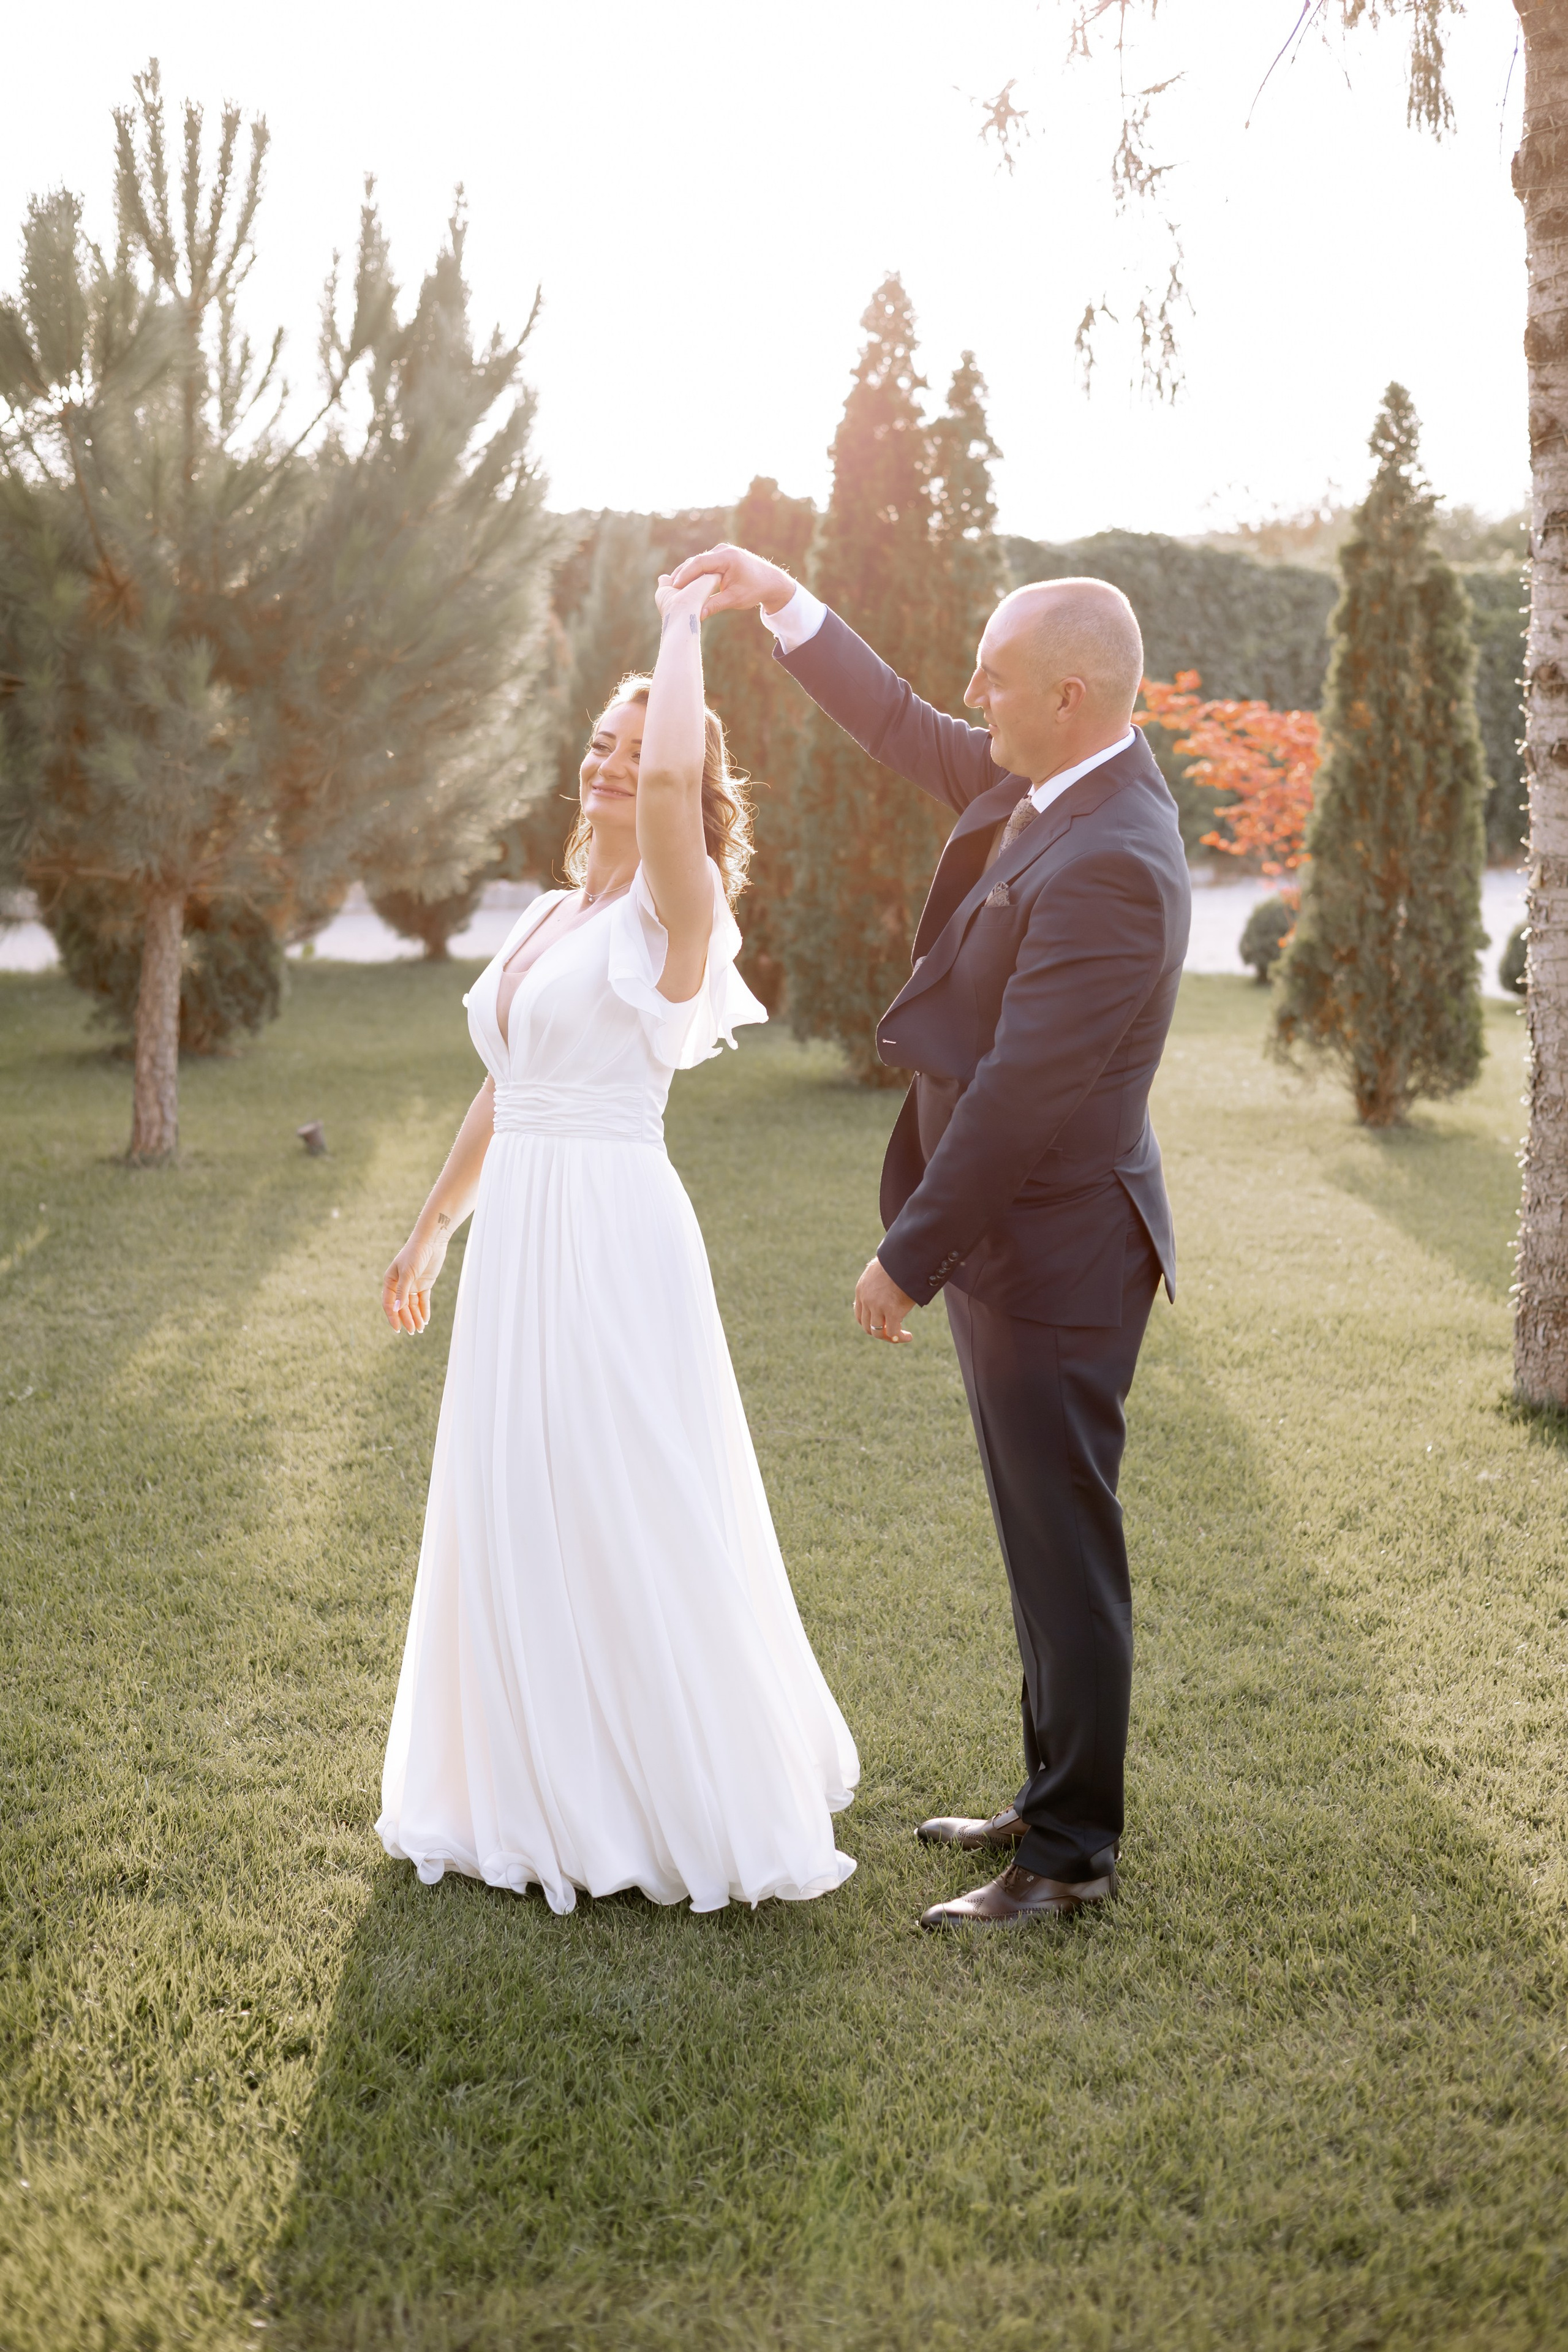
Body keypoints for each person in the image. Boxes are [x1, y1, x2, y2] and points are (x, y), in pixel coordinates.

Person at [671, 541, 1190, 1931]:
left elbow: (1023, 1097)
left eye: (998, 676)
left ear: (1072, 695)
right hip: (1021, 1252)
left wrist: (908, 1254)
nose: (973, 694)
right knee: (1035, 1540)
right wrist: (782, 604)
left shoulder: (1114, 859)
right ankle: (1046, 1792)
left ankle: (1069, 1856)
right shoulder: (1047, 781)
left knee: (1064, 1551)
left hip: (1061, 1254)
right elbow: (903, 721)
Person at [375, 567, 859, 1916]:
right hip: (519, 1231)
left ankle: (673, 1792)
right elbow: (503, 1082)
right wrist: (429, 1233)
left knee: (624, 1491)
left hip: (611, 1231)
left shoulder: (676, 904)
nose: (615, 759)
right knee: (513, 1490)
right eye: (600, 736)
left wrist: (675, 635)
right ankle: (525, 1785)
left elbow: (661, 802)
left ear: (687, 772)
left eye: (642, 745)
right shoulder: (548, 915)